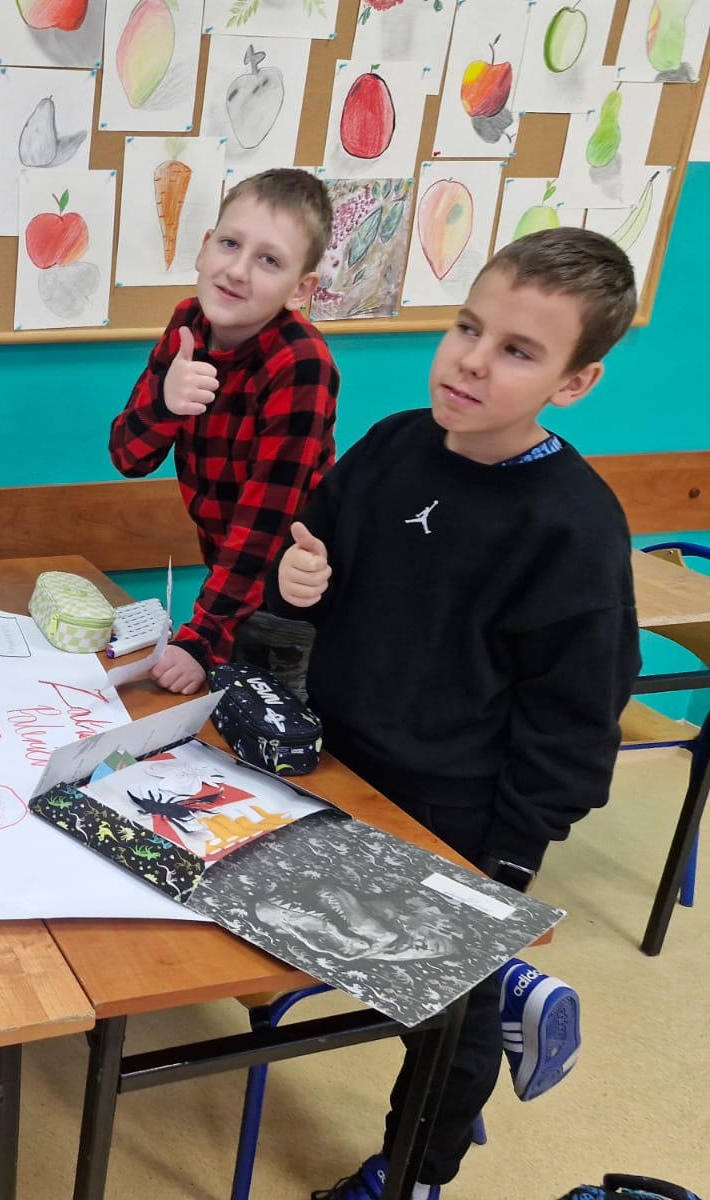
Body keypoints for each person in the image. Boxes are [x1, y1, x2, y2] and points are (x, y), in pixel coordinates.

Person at [270, 226, 641, 1200]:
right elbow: (312, 565)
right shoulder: (395, 443)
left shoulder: (573, 526)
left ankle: (416, 1173)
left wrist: (506, 871)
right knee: (316, 930)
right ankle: (505, 981)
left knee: (446, 1013)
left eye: (517, 350)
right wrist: (298, 579)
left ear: (575, 382)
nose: (471, 361)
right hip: (341, 766)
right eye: (467, 328)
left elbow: (575, 719)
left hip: (458, 810)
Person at [110, 166, 337, 699]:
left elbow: (264, 527)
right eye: (230, 244)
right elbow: (128, 456)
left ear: (301, 288)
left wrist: (201, 641)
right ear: (205, 246)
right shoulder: (188, 325)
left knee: (265, 731)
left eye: (269, 260)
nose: (237, 271)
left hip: (292, 605)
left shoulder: (301, 363)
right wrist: (165, 402)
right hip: (229, 585)